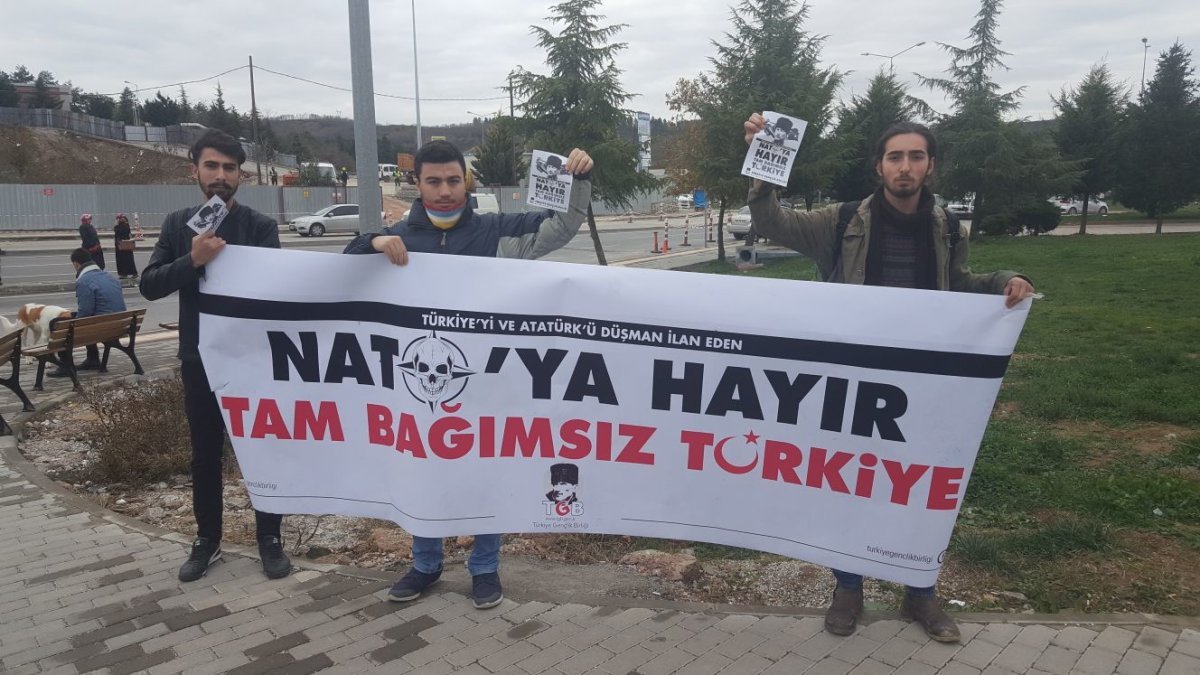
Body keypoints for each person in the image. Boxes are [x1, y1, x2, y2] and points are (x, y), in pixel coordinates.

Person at [742, 115, 1036, 643]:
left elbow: (959, 284)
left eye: (915, 156)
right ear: (879, 166)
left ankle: (920, 592)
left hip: (924, 381)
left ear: (930, 165)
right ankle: (848, 589)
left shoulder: (948, 227)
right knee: (849, 484)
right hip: (854, 380)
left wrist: (1004, 282)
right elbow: (774, 223)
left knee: (920, 487)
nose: (905, 167)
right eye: (895, 157)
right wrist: (765, 167)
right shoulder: (841, 221)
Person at [343, 139, 594, 609]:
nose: (444, 191)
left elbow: (560, 226)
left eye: (453, 180)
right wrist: (370, 242)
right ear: (416, 183)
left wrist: (578, 180)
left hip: (487, 386)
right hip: (421, 386)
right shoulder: (400, 238)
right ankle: (425, 564)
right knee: (422, 470)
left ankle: (484, 567)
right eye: (433, 181)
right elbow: (342, 271)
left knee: (485, 474)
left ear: (466, 181)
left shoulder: (497, 232)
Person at [139, 129, 291, 583]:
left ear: (241, 175)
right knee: (204, 455)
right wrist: (194, 259)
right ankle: (207, 539)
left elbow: (275, 292)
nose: (220, 175)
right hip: (199, 361)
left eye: (229, 168)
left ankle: (270, 537)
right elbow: (150, 285)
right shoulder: (177, 225)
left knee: (262, 451)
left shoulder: (260, 227)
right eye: (212, 166)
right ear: (195, 171)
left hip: (252, 361)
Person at [48, 248, 126, 377]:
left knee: (57, 323)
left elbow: (85, 312)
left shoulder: (84, 281)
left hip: (100, 328)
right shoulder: (109, 276)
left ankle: (66, 365)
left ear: (76, 264)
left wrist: (73, 322)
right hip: (119, 326)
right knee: (84, 319)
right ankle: (92, 359)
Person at [113, 214, 138, 279]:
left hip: (121, 245)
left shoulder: (118, 227)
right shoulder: (127, 225)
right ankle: (133, 273)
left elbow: (117, 233)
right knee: (129, 259)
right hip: (127, 244)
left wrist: (116, 224)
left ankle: (124, 274)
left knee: (121, 260)